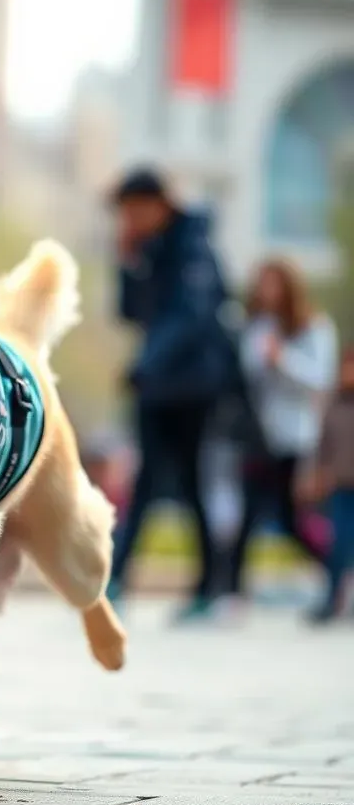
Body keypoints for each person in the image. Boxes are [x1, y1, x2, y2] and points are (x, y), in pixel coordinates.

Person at [108, 168, 236, 619]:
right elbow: (128, 313)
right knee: (145, 483)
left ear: (160, 204)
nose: (130, 220)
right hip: (156, 384)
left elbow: (191, 316)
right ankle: (117, 580)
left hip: (193, 385)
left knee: (190, 482)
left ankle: (210, 588)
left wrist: (145, 364)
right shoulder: (148, 249)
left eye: (135, 210)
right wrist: (125, 264)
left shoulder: (193, 244)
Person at [223, 260, 337, 605]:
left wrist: (282, 358)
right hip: (258, 437)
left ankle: (337, 573)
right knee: (246, 516)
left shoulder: (314, 327)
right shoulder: (255, 327)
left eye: (274, 284)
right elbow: (247, 376)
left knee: (292, 519)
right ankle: (231, 592)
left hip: (297, 438)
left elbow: (321, 379)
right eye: (262, 284)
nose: (266, 291)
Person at [299, 344, 354, 623]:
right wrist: (316, 474)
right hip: (342, 487)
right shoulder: (335, 405)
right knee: (339, 545)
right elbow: (323, 445)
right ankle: (333, 599)